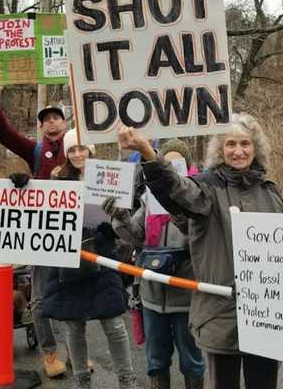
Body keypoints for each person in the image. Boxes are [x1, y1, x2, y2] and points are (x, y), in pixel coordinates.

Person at [117, 114, 283, 389]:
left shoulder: (271, 191)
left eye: (245, 143)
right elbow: (175, 188)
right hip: (221, 315)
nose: (238, 151)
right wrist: (148, 153)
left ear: (256, 148)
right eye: (230, 143)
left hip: (266, 314)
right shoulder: (206, 188)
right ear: (220, 149)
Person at [105, 138, 205, 389]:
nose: (168, 172)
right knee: (156, 361)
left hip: (186, 296)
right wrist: (120, 216)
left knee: (192, 360)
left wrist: (180, 212)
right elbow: (134, 236)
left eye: (175, 166)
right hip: (152, 297)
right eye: (164, 165)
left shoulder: (200, 199)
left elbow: (205, 243)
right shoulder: (150, 198)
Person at [41, 129, 138, 389]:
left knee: (114, 324)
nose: (77, 154)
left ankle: (126, 379)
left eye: (82, 148)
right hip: (69, 259)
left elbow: (125, 215)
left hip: (103, 255)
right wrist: (22, 185)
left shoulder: (110, 176)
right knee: (74, 327)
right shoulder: (58, 181)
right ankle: (82, 380)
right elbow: (40, 209)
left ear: (91, 150)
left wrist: (113, 225)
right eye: (72, 149)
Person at [0, 75, 67, 377]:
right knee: (40, 296)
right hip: (45, 235)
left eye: (57, 117)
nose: (51, 123)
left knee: (75, 294)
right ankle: (49, 353)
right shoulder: (35, 151)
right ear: (42, 127)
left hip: (75, 235)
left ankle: (75, 350)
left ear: (65, 123)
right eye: (46, 120)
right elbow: (6, 136)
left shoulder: (80, 148)